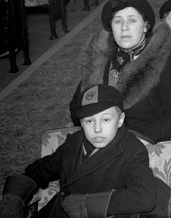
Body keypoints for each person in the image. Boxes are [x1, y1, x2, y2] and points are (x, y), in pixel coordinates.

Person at [0, 85, 161, 217]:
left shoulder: (132, 150)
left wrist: (87, 204)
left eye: (106, 119)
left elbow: (145, 197)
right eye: (89, 121)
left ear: (120, 120)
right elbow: (42, 169)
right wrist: (14, 195)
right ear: (81, 123)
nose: (97, 129)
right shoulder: (75, 141)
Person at [70, 0, 171, 142]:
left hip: (142, 144)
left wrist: (134, 141)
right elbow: (77, 109)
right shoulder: (100, 60)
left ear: (145, 26)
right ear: (111, 28)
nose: (124, 28)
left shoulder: (165, 61)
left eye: (132, 21)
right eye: (118, 21)